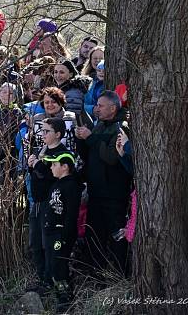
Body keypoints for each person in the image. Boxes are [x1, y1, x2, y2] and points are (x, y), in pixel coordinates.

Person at [75, 91, 132, 274]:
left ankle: (119, 274)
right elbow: (90, 154)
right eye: (96, 105)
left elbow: (111, 157)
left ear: (113, 108)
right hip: (96, 191)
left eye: (100, 105)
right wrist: (81, 139)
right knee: (95, 234)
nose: (96, 109)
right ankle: (94, 272)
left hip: (114, 194)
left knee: (116, 235)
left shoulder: (121, 127)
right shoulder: (99, 125)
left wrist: (90, 138)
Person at [26, 117, 72, 292]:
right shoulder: (41, 150)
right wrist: (32, 165)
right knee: (35, 244)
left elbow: (54, 177)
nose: (43, 134)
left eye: (47, 131)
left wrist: (38, 165)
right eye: (42, 131)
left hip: (51, 205)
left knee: (49, 246)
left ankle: (52, 281)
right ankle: (43, 279)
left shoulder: (62, 152)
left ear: (58, 134)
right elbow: (37, 175)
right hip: (36, 202)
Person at [42, 151, 82, 311]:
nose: (51, 167)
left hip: (61, 234)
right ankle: (58, 293)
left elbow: (72, 214)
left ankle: (66, 298)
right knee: (52, 263)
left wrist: (64, 236)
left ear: (65, 167)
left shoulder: (71, 185)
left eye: (54, 164)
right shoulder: (55, 184)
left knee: (59, 264)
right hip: (51, 232)